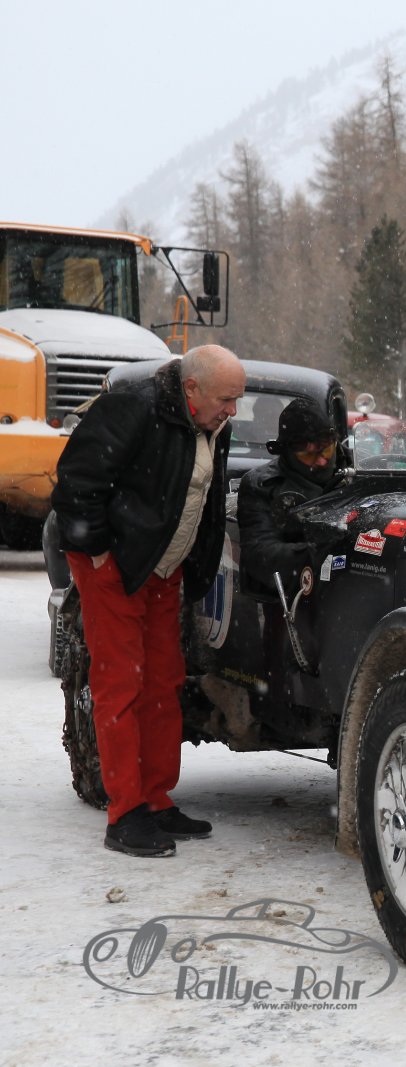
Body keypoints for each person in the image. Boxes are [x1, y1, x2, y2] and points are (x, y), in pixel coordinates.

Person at [51, 345, 245, 857]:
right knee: (121, 682)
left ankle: (156, 799)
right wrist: (97, 551)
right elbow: (76, 479)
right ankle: (125, 813)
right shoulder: (134, 406)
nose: (233, 410)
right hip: (115, 565)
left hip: (162, 567)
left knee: (163, 680)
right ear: (191, 388)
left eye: (237, 399)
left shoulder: (212, 422)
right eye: (226, 399)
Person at [238, 398, 341, 596]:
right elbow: (261, 554)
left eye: (327, 450)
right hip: (290, 594)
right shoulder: (262, 485)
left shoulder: (358, 471)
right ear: (287, 452)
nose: (321, 461)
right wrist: (317, 551)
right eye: (308, 455)